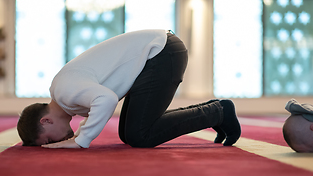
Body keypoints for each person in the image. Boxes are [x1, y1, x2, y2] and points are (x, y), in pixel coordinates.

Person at [17, 29, 241, 149]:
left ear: (45, 121)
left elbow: (106, 99)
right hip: (157, 54)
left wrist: (80, 140)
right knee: (128, 134)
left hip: (161, 53)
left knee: (139, 135)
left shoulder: (64, 92)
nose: (53, 144)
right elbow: (99, 101)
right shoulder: (64, 94)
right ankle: (216, 111)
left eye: (47, 141)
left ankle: (219, 112)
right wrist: (81, 131)